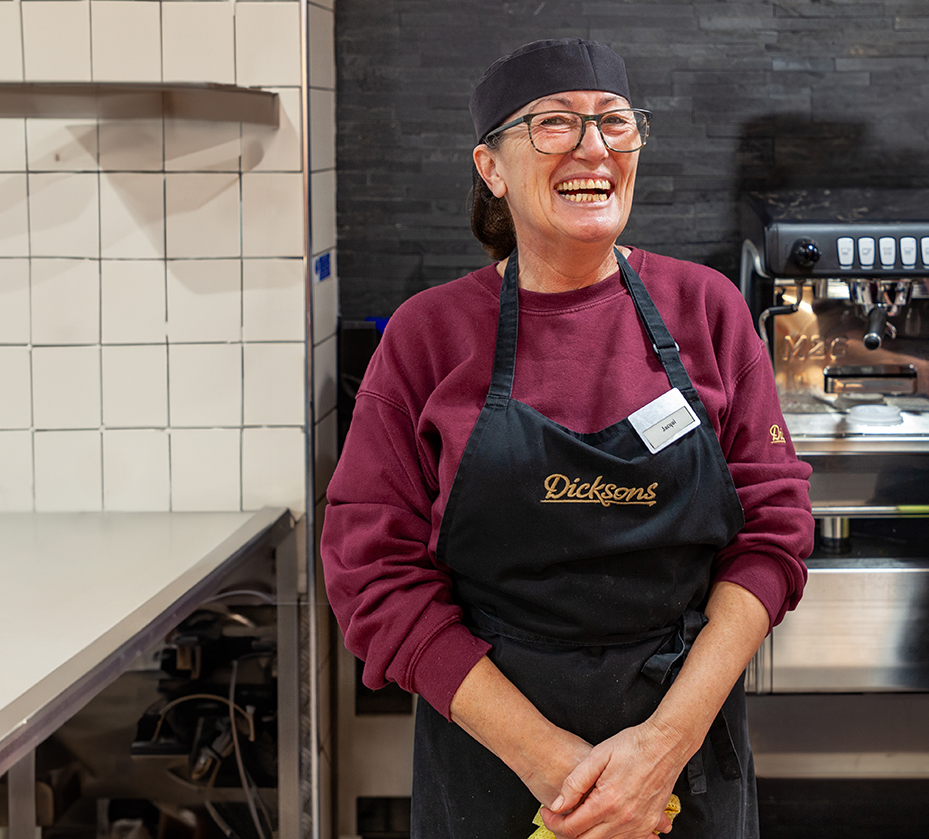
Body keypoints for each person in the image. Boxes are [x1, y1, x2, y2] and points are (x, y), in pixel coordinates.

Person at [321, 38, 815, 839]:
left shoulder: (708, 310)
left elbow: (773, 532)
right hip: (494, 764)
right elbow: (372, 575)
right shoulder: (427, 337)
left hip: (680, 762)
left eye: (616, 123)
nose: (595, 148)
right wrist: (557, 769)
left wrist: (662, 747)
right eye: (555, 125)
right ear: (491, 167)